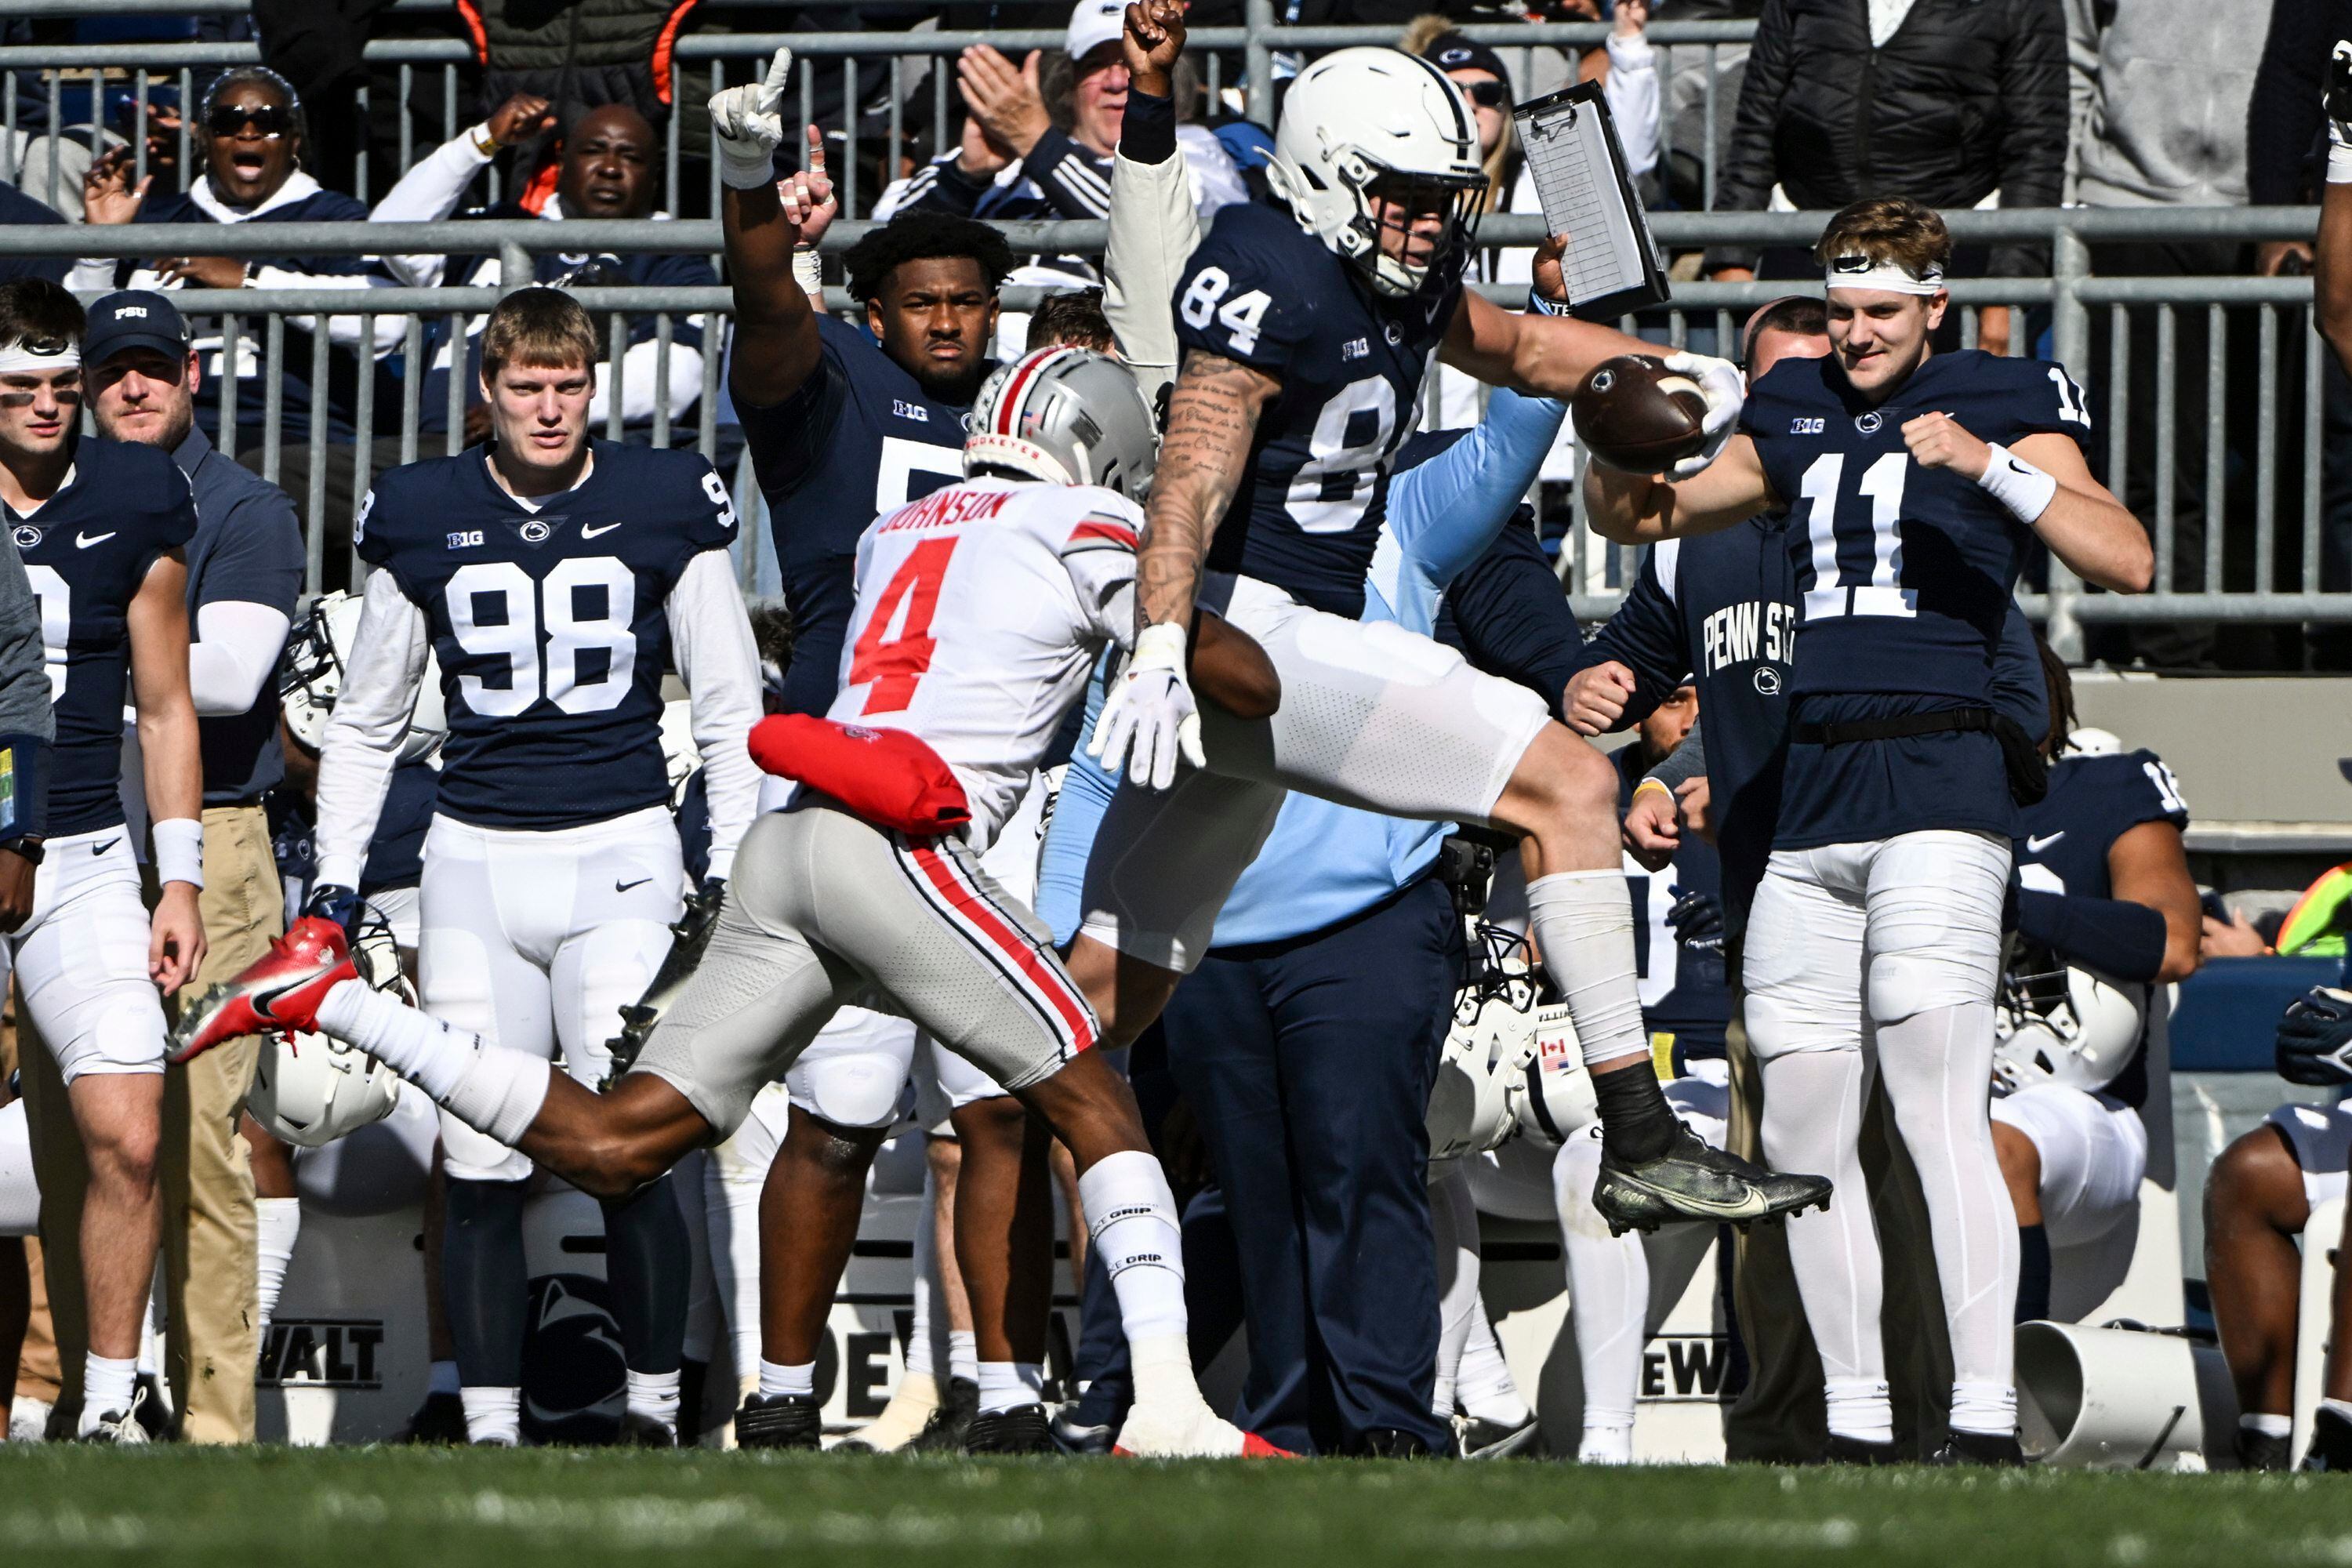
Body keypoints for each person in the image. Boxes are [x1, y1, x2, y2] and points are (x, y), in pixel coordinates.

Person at [178, 343, 1288, 1460]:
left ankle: (338, 1005)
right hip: (902, 843)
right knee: (1093, 1100)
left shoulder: (898, 527)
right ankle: (1168, 1405)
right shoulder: (1082, 526)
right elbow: (1250, 684)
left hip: (791, 840)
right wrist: (1170, 611)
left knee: (622, 1143)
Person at [1074, 44, 1822, 1236]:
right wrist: (1165, 638)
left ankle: (966, 1074)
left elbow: (1524, 349)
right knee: (1572, 782)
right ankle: (1636, 1134)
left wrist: (1682, 367)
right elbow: (1191, 477)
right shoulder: (1265, 266)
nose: (1427, 225)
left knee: (1108, 988)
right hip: (1251, 633)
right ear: (1328, 176)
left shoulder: (1393, 276)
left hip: (1264, 651)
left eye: (1440, 199)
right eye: (1404, 199)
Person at [1584, 197, 2149, 1461]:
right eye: (1839, 312)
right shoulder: (1791, 408)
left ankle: (1986, 1415)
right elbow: (1650, 519)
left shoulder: (2002, 394)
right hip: (1806, 794)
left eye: (1882, 312)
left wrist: (1992, 469)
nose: (1856, 335)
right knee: (1798, 1128)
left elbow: (2129, 558)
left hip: (1940, 781)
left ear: (1936, 305)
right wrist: (1609, 432)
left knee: (1938, 1107)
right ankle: (1852, 1417)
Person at [283, 287, 764, 1449]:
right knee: (480, 1155)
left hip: (623, 853)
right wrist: (338, 889)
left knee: (636, 1148)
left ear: (593, 389)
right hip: (473, 860)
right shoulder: (420, 508)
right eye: (525, 387)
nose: (549, 410)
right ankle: (488, 1423)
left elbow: (729, 705)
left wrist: (733, 875)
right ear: (486, 394)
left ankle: (654, 1415)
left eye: (568, 387)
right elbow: (366, 719)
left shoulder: (661, 498)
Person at [81, 289, 305, 1446]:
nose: (133, 388)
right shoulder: (47, 497)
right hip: (71, 838)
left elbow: (223, 680)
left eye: (152, 368)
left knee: (207, 1142)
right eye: (113, 369)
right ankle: (81, 1399)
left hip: (212, 838)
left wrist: (73, 667)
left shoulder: (243, 507)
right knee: (79, 1142)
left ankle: (219, 1425)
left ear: (191, 377)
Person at [0, 278, 206, 1442]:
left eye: (60, 386)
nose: (46, 405)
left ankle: (115, 1402)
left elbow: (167, 704)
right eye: (18, 386)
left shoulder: (133, 488)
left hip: (78, 848)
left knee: (130, 1132)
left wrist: (176, 875)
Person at [69, 68, 401, 523]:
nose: (249, 132)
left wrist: (249, 280)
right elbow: (74, 337)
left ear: (294, 139)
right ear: (206, 139)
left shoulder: (332, 217)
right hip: (164, 429)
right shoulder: (158, 219)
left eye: (269, 121)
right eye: (228, 122)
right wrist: (100, 248)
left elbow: (386, 324)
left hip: (296, 434)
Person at [1991, 647, 2199, 1327]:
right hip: (1941, 1084)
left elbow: (2173, 941)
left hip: (2082, 1107)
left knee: (1993, 1143)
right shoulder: (1899, 802)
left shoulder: (2106, 786)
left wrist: (2016, 908)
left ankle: (2003, 1399)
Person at [1701, 0, 2067, 357]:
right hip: (1808, 242)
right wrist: (1730, 258)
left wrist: (2004, 297)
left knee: (1935, 416)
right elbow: (1756, 125)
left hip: (1950, 250)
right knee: (1799, 411)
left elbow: (2036, 145)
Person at [370, 96, 719, 445]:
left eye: (630, 157)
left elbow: (674, 380)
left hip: (576, 458)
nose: (610, 168)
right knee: (322, 471)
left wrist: (529, 407)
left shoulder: (673, 260)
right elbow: (390, 236)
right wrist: (481, 141)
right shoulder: (498, 226)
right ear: (562, 159)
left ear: (654, 177)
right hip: (441, 450)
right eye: (594, 151)